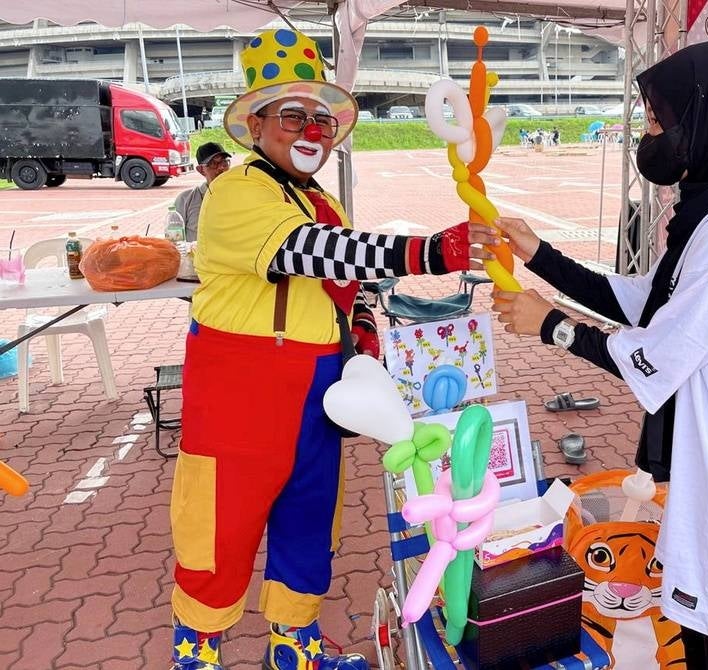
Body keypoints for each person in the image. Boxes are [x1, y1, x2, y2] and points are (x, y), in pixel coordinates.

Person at [169, 29, 495, 670]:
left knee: (310, 520)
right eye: (293, 115)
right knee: (220, 527)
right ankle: (197, 656)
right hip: (240, 390)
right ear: (257, 124)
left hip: (316, 385)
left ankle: (295, 648)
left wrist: (363, 332)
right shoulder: (237, 192)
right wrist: (427, 252)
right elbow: (307, 252)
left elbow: (343, 281)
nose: (310, 129)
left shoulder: (323, 199)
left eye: (322, 118)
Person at [491, 41, 708, 670]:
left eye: (659, 121)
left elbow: (652, 356)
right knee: (706, 642)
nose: (650, 133)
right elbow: (647, 299)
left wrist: (550, 326)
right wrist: (541, 256)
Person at [173, 142, 231, 242]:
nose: (221, 168)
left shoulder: (238, 195)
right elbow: (174, 239)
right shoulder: (186, 199)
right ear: (201, 170)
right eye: (213, 164)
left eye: (224, 163)